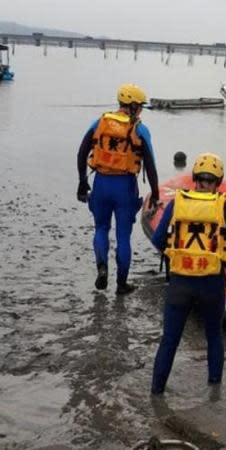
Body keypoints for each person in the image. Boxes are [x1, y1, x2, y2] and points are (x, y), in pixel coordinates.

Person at [149, 153, 226, 395]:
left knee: (170, 340)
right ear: (219, 181)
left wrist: (177, 257)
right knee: (214, 336)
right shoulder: (225, 207)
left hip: (180, 284)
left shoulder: (176, 203)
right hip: (211, 284)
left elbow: (160, 238)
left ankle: (156, 393)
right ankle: (214, 393)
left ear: (194, 179)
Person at [76, 83, 159, 295]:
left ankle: (102, 267)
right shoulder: (139, 129)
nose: (140, 111)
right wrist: (156, 194)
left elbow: (82, 153)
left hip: (101, 183)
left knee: (101, 228)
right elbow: (149, 166)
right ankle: (121, 285)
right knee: (123, 236)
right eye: (139, 107)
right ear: (132, 106)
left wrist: (82, 181)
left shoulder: (100, 122)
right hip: (124, 186)